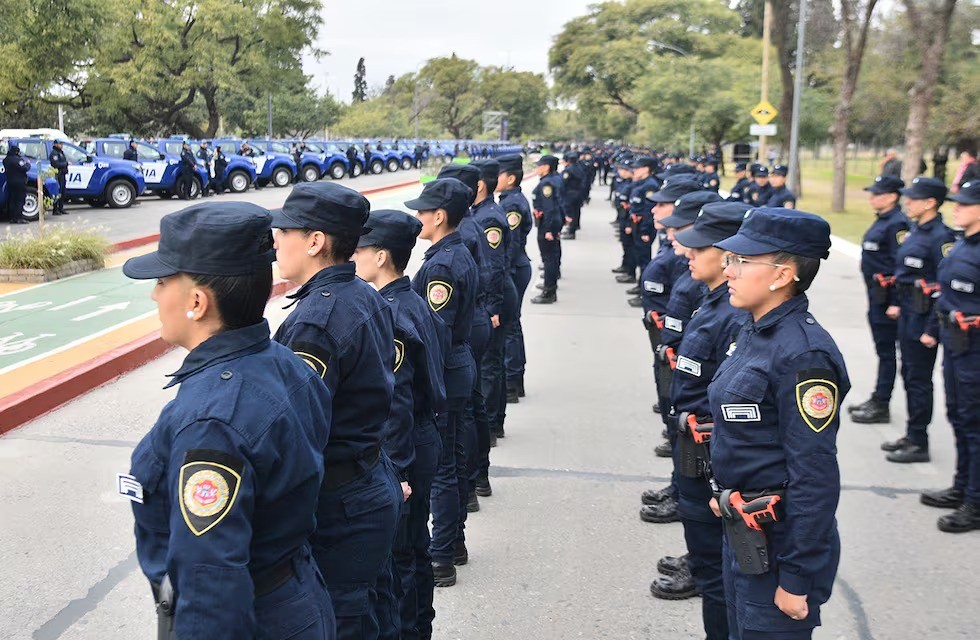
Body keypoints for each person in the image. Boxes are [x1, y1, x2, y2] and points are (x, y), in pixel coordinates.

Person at [122, 201, 335, 639]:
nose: (154, 295)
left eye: (163, 282)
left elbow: (210, 585)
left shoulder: (211, 421)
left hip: (255, 617)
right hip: (296, 596)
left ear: (197, 302)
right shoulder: (282, 362)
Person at [708, 207, 850, 640]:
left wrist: (796, 577)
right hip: (744, 531)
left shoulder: (804, 356)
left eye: (742, 261)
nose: (728, 269)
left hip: (779, 546)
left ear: (782, 275)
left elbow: (815, 473)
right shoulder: (753, 330)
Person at [271, 182, 402, 640]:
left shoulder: (316, 321)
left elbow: (297, 430)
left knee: (344, 622)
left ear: (314, 241)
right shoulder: (359, 293)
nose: (275, 241)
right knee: (378, 615)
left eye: (283, 231)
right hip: (365, 481)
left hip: (341, 505)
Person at [652, 202, 749, 638]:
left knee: (718, 578)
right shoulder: (714, 303)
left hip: (710, 458)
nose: (686, 254)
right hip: (694, 452)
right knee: (711, 568)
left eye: (698, 248)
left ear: (727, 255)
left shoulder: (732, 316)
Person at [351, 208, 447, 637]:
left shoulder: (391, 316)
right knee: (414, 551)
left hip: (404, 447)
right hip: (422, 437)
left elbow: (397, 404)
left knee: (402, 560)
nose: (353, 257)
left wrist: (398, 472)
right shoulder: (410, 301)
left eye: (360, 249)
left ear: (382, 257)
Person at [405, 178, 480, 591]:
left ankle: (442, 556)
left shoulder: (443, 265)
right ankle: (455, 543)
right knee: (452, 456)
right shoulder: (451, 254)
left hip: (448, 368)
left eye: (423, 211)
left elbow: (436, 331)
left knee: (444, 468)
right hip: (457, 364)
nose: (418, 218)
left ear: (440, 216)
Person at [880, 177, 956, 464]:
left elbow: (944, 286)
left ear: (930, 203)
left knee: (920, 379)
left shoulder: (941, 238)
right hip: (909, 312)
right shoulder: (914, 231)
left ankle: (919, 441)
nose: (907, 202)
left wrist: (931, 328)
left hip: (924, 318)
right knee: (910, 375)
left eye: (913, 198)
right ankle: (912, 435)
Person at [919, 180, 980, 532]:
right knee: (958, 417)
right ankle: (962, 487)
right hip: (956, 346)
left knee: (974, 424)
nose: (956, 208)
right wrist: (933, 327)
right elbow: (944, 295)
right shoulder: (961, 245)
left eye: (966, 204)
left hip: (975, 352)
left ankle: (975, 501)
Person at [848, 176, 909, 424]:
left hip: (888, 300)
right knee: (882, 350)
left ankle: (882, 402)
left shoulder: (897, 224)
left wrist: (895, 301)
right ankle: (878, 397)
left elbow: (900, 266)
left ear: (893, 196)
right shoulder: (883, 220)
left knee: (887, 352)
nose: (872, 197)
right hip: (876, 295)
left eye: (878, 194)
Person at [497, 155, 533, 403]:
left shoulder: (511, 205)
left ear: (510, 178)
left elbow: (510, 247)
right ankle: (515, 380)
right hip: (516, 267)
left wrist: (502, 279)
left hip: (513, 269)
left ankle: (512, 381)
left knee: (510, 326)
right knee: (513, 325)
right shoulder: (509, 200)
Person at [530, 155, 564, 304]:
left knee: (548, 258)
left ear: (546, 167)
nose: (536, 168)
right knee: (553, 256)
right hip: (553, 223)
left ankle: (548, 292)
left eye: (539, 165)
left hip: (547, 224)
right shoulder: (555, 179)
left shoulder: (547, 184)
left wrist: (549, 229)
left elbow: (549, 208)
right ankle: (551, 283)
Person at [560, 152, 586, 239]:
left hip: (570, 194)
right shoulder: (580, 168)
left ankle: (571, 231)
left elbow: (563, 182)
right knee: (576, 211)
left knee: (570, 213)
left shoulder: (568, 170)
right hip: (579, 192)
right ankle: (575, 226)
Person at [3, 143, 31, 224]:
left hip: (10, 181)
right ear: (16, 152)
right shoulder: (17, 160)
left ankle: (12, 218)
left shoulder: (6, 160)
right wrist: (28, 163)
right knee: (20, 200)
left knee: (12, 200)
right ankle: (19, 218)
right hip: (19, 182)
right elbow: (25, 168)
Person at [48, 139, 69, 215]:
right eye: (60, 144)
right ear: (55, 144)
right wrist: (66, 164)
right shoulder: (54, 153)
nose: (61, 145)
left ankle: (61, 208)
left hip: (62, 174)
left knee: (63, 192)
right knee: (58, 192)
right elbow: (56, 164)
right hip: (57, 175)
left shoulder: (60, 152)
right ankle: (55, 209)